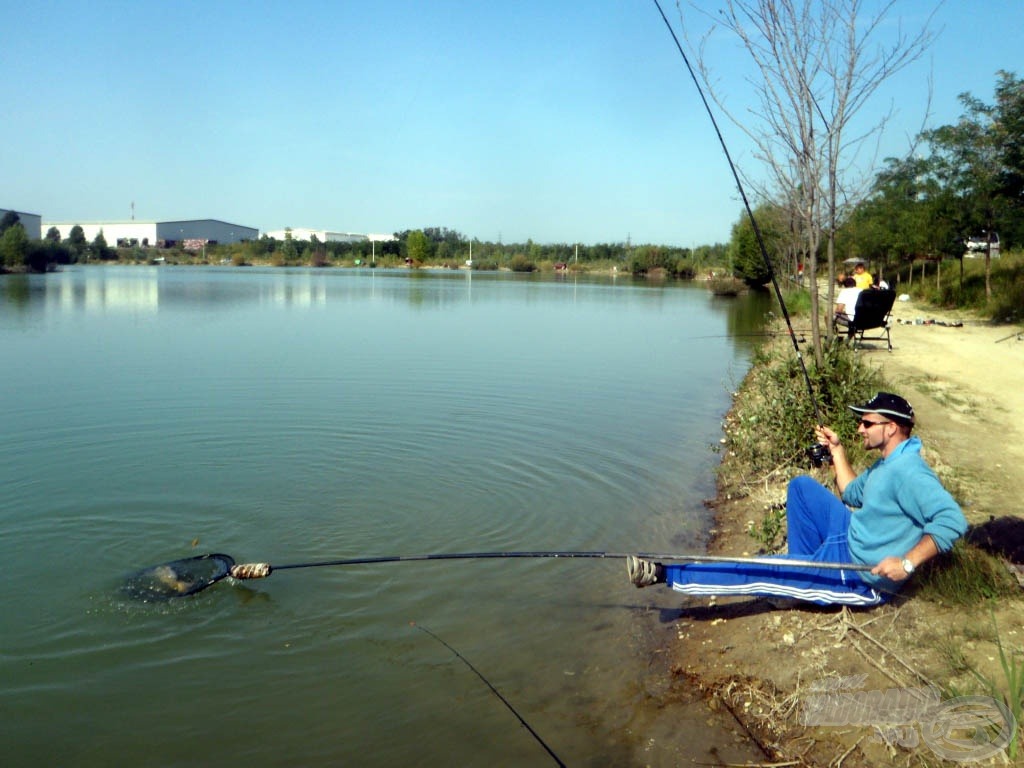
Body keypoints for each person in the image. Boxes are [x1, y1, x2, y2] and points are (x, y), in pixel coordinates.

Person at [627, 393, 968, 606]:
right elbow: (851, 493)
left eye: (866, 422)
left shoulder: (910, 472)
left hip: (859, 576)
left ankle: (666, 574)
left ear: (891, 428)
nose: (860, 428)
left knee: (761, 570)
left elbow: (952, 522)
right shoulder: (888, 463)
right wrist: (837, 450)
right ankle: (798, 575)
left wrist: (906, 563)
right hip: (851, 534)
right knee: (802, 487)